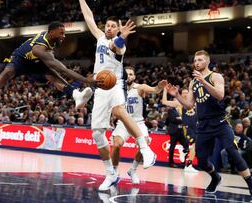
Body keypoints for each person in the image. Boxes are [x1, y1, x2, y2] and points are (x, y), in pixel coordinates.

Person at [79, 0, 156, 191]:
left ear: (117, 29)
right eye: (108, 25)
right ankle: (111, 173)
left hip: (115, 84)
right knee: (97, 133)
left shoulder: (119, 45)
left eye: (114, 26)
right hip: (100, 88)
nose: (110, 28)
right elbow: (88, 17)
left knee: (120, 111)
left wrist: (122, 36)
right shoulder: (99, 38)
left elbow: (117, 45)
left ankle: (146, 149)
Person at [166, 50, 252, 195]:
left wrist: (204, 82)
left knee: (232, 151)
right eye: (195, 60)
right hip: (204, 125)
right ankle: (215, 177)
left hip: (220, 122)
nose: (196, 62)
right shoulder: (193, 81)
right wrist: (177, 95)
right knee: (201, 161)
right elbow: (189, 105)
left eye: (200, 60)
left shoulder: (215, 76)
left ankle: (250, 184)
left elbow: (220, 95)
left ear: (207, 61)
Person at [0, 22, 97, 114]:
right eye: (61, 33)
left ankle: (76, 95)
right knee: (7, 72)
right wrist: (86, 80)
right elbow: (64, 70)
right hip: (21, 60)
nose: (64, 36)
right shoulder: (39, 49)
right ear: (52, 32)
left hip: (36, 63)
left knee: (53, 75)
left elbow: (60, 69)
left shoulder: (49, 41)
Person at [111, 66, 167, 184]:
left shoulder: (139, 87)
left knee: (144, 143)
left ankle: (132, 170)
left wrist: (159, 87)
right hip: (123, 123)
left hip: (138, 122)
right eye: (127, 74)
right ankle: (114, 171)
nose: (129, 76)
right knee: (116, 144)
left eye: (131, 74)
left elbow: (154, 90)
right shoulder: (118, 89)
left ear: (134, 76)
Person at [162, 88, 198, 172]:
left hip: (196, 127)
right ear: (181, 95)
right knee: (193, 144)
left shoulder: (194, 102)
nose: (186, 94)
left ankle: (185, 153)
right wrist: (165, 90)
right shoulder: (179, 103)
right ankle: (188, 163)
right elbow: (164, 101)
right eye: (184, 93)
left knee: (195, 146)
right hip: (186, 127)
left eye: (187, 93)